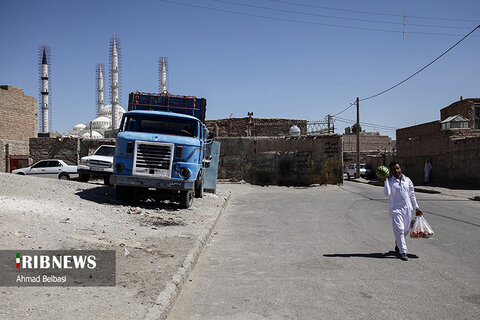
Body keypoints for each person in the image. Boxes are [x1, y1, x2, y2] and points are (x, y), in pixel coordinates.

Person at [382, 161, 423, 261]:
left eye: (398, 168)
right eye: (394, 169)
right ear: (391, 171)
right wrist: (386, 181)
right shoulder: (390, 181)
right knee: (400, 230)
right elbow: (387, 194)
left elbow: (412, 195)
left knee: (405, 230)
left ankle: (398, 242)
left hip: (407, 208)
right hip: (396, 209)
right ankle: (403, 252)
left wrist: (416, 207)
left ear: (400, 169)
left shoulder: (407, 180)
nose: (396, 171)